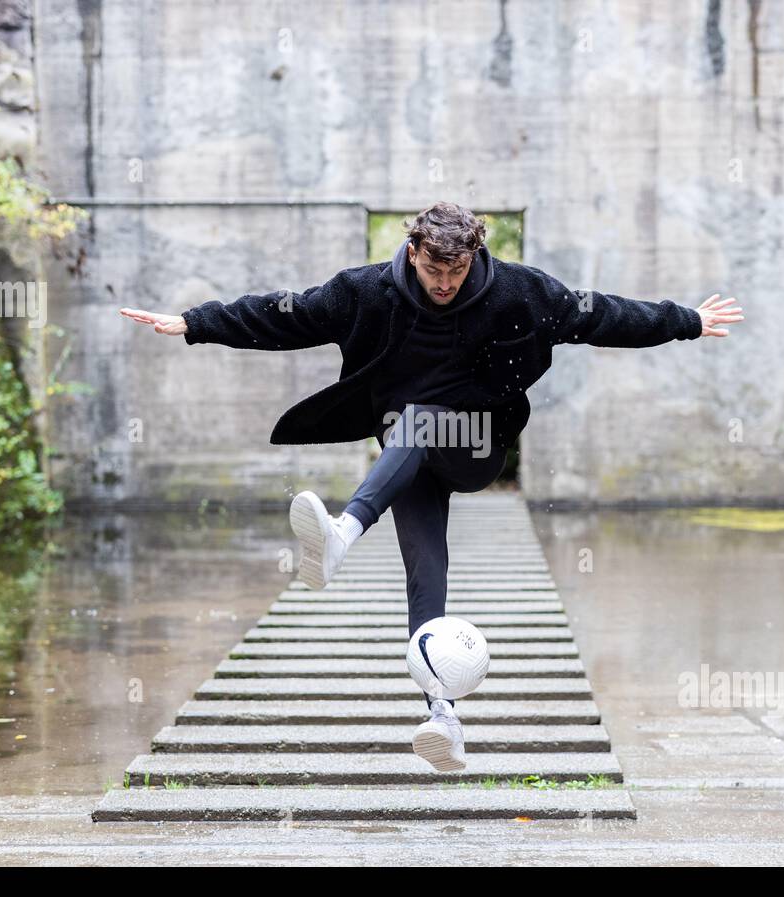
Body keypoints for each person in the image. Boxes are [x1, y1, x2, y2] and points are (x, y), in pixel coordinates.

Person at [120, 200, 744, 771]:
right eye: (434, 271)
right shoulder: (364, 292)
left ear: (472, 255)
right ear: (414, 252)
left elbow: (599, 314)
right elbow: (289, 314)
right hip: (406, 454)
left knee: (419, 419)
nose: (445, 285)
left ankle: (342, 533)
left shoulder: (520, 293)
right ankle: (443, 718)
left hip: (477, 444)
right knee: (425, 569)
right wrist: (195, 323)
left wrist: (686, 320)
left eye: (457, 271)